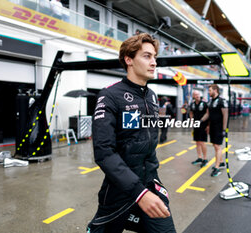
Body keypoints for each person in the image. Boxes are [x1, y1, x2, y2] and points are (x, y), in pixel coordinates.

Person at [87, 33, 176, 233]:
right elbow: (104, 152)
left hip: (150, 184)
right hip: (120, 189)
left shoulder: (152, 97)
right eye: (147, 56)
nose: (154, 62)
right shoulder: (109, 95)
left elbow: (148, 144)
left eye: (154, 57)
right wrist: (139, 193)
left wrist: (149, 187)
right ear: (129, 59)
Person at [201, 84, 228, 177]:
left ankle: (216, 167)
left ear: (215, 90)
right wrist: (200, 121)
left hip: (219, 127)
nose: (208, 92)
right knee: (215, 145)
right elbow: (208, 114)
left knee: (217, 146)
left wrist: (224, 129)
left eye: (210, 90)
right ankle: (220, 162)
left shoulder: (222, 101)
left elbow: (225, 115)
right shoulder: (209, 102)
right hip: (212, 127)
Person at [189, 91, 209, 167]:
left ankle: (205, 159)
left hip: (203, 125)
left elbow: (208, 113)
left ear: (200, 95)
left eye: (198, 94)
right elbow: (191, 113)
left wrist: (208, 125)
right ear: (193, 96)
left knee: (202, 142)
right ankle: (199, 158)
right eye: (195, 94)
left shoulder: (204, 104)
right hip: (196, 126)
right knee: (197, 142)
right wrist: (191, 120)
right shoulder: (192, 104)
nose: (197, 96)